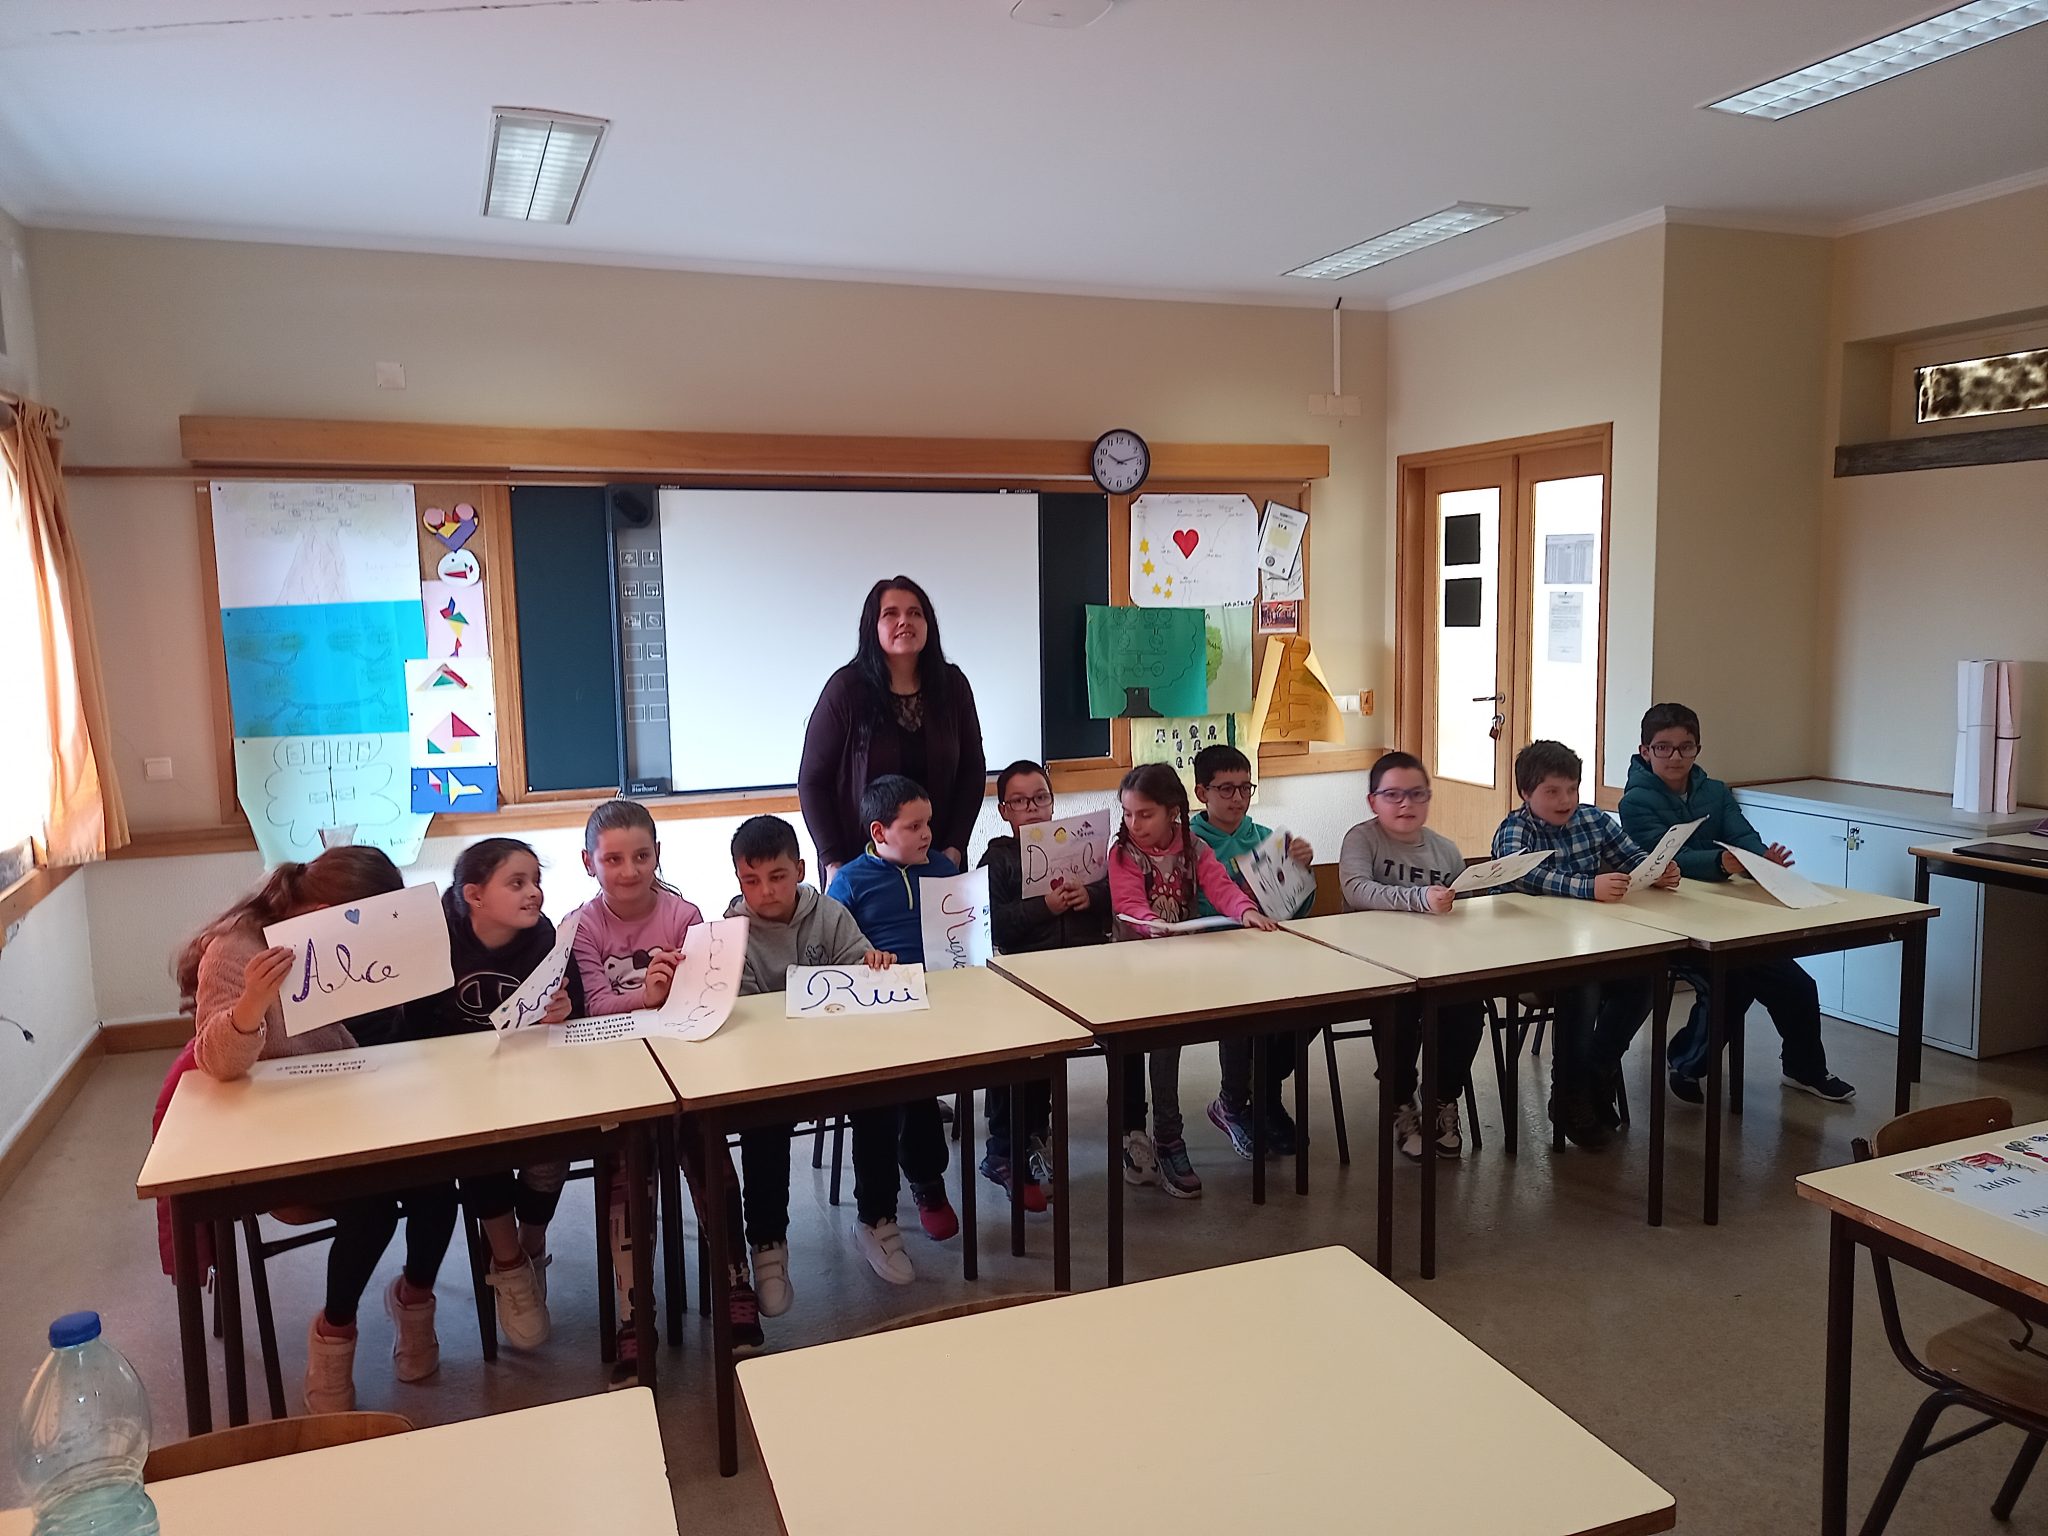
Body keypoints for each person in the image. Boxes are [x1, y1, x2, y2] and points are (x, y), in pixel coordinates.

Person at [175, 846, 456, 1413]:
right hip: (281, 1131)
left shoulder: (362, 943)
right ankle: (334, 1330)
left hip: (362, 1109)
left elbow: (393, 1041)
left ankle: (414, 1297)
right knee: (371, 1209)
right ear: (325, 912)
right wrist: (251, 1004)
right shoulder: (234, 949)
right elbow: (216, 1061)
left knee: (438, 1186)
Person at [1619, 702, 1854, 1104]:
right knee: (1732, 980)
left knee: (1797, 984)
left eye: (1686, 747)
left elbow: (1741, 835)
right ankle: (1687, 1062)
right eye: (1663, 748)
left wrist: (1761, 858)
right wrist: (1721, 862)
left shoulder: (1715, 790)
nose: (1675, 757)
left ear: (1697, 748)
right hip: (1670, 920)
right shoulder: (1636, 801)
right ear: (1645, 751)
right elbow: (1662, 859)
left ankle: (1803, 1069)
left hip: (1727, 912)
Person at [403, 837, 583, 1351]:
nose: (534, 893)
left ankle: (530, 1245)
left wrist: (564, 1010)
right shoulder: (437, 941)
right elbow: (411, 1029)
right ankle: (507, 1263)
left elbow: (578, 1008)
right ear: (475, 895)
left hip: (530, 1077)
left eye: (536, 882)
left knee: (553, 1144)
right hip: (461, 1087)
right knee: (479, 1148)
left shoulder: (545, 938)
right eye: (517, 883)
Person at [724, 814, 903, 1300]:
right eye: (751, 880)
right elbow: (743, 1011)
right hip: (771, 1067)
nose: (765, 890)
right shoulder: (730, 933)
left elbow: (859, 972)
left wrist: (874, 965)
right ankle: (767, 1243)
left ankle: (877, 1219)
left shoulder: (830, 914)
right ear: (738, 879)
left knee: (881, 1099)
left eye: (777, 876)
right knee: (762, 1124)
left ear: (800, 869)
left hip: (837, 1056)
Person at [564, 799, 711, 1380]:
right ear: (589, 862)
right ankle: (634, 1311)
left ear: (657, 856)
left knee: (709, 1152)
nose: (629, 871)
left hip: (683, 1068)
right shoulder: (581, 927)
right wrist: (647, 998)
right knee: (627, 1176)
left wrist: (668, 998)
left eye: (641, 857)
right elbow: (595, 1007)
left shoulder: (685, 915)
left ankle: (735, 1282)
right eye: (613, 859)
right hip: (617, 1077)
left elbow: (702, 997)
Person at [1492, 739, 1678, 1149]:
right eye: (1552, 791)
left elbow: (1631, 857)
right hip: (1533, 955)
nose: (1565, 801)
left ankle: (1595, 1072)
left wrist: (1657, 871)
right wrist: (1588, 887)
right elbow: (1524, 876)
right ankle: (1570, 1090)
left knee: (1644, 979)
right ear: (1526, 793)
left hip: (1591, 945)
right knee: (1584, 985)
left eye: (1572, 789)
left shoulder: (1592, 819)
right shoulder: (1516, 829)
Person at [1108, 762, 1279, 1198]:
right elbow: (1127, 903)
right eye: (1127, 814)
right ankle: (1168, 1138)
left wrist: (1245, 911)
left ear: (1173, 812)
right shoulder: (1123, 853)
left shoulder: (1194, 848)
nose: (1134, 824)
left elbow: (1221, 888)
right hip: (1135, 969)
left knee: (1236, 1012)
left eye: (1145, 814)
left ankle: (1232, 1103)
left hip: (1185, 963)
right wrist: (1153, 925)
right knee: (1165, 1045)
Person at [826, 774, 962, 1242]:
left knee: (1017, 1051)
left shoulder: (941, 868)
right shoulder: (850, 881)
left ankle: (1008, 1155)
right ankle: (928, 1184)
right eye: (914, 826)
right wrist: (864, 959)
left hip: (947, 996)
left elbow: (966, 928)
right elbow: (832, 949)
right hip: (882, 1009)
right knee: (912, 1080)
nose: (927, 834)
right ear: (879, 832)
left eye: (929, 823)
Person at [1339, 751, 1487, 1161]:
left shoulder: (1445, 850)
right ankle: (1400, 1101)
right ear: (1373, 801)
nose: (1406, 804)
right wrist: (1420, 898)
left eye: (1417, 794)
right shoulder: (1362, 839)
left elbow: (1463, 906)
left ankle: (1442, 1097)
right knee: (1398, 1011)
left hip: (1436, 959)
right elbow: (1357, 890)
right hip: (1375, 962)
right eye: (1393, 795)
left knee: (1468, 1008)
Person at [978, 759, 1109, 1207]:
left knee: (1128, 1032)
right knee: (1022, 1045)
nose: (1032, 808)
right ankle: (1006, 1147)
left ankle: (1044, 1134)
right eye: (1019, 801)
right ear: (1004, 811)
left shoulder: (1082, 844)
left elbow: (1115, 895)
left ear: (1053, 802)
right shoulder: (998, 859)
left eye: (1040, 798)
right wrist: (1044, 908)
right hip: (1025, 978)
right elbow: (991, 924)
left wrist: (1090, 896)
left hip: (1084, 971)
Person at [798, 575, 987, 885]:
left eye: (915, 613)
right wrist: (833, 862)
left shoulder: (953, 686)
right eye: (891, 614)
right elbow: (812, 782)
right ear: (872, 626)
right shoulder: (845, 689)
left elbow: (972, 771)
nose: (904, 621)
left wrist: (955, 847)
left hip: (938, 861)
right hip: (860, 866)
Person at [1188, 743, 1315, 1159]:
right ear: (1201, 792)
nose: (1238, 798)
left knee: (1317, 1000)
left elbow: (1295, 912)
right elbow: (1196, 908)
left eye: (1245, 788)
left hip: (1267, 950)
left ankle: (1265, 1089)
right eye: (1226, 789)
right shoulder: (1188, 843)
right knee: (1241, 1005)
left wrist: (1301, 871)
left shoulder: (1265, 839)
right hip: (1213, 953)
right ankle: (1235, 1103)